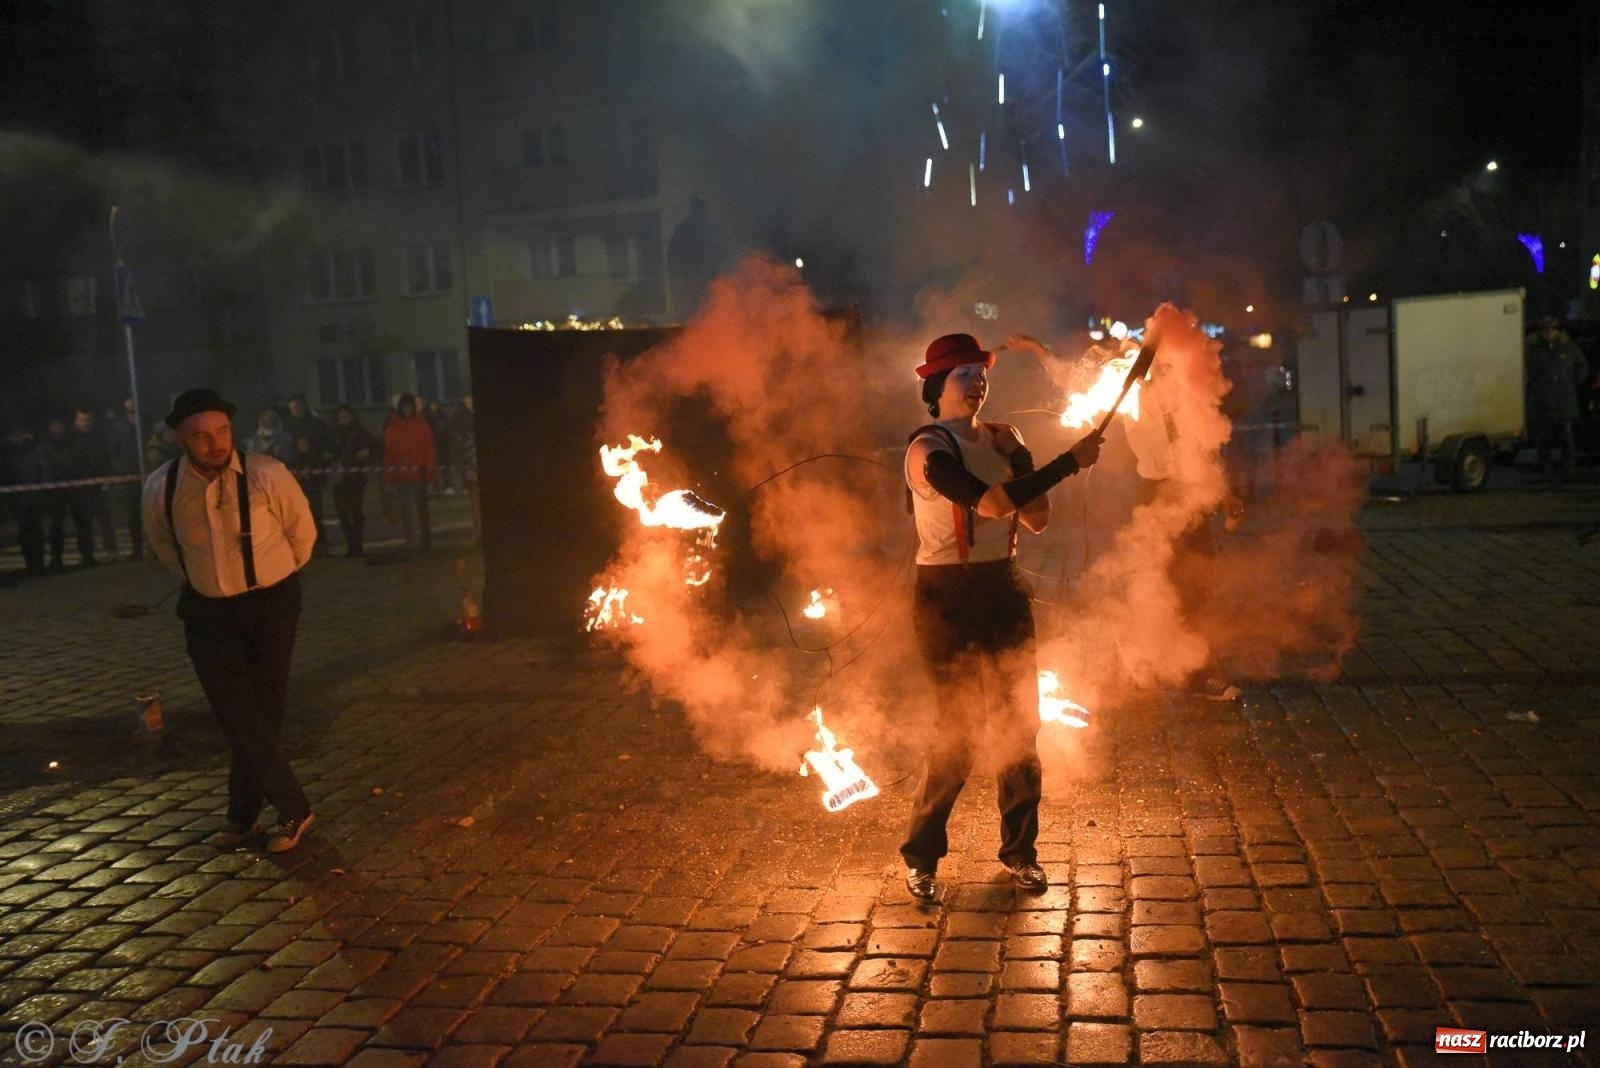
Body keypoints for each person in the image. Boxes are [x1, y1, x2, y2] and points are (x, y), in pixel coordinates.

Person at [901, 332, 1103, 902]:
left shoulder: (1004, 436)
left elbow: (1035, 518)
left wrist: (1027, 460)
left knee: (1020, 728)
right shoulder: (927, 449)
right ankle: (921, 858)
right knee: (958, 733)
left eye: (981, 371)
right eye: (964, 373)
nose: (977, 381)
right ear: (937, 386)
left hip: (1002, 588)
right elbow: (989, 503)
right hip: (946, 596)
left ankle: (1020, 853)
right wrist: (1068, 462)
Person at [142, 388, 318, 852]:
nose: (215, 443)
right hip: (207, 611)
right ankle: (294, 808)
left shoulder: (266, 474)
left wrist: (270, 582)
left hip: (270, 604)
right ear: (180, 438)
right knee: (236, 713)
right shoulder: (162, 487)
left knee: (263, 712)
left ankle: (241, 817)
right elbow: (164, 546)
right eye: (201, 436)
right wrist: (207, 581)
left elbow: (303, 535)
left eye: (221, 432)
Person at [1524, 317, 1587, 481]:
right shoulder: (1532, 349)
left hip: (1565, 401)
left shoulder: (1568, 347)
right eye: (1546, 329)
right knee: (1545, 437)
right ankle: (1545, 465)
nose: (1549, 332)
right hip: (1543, 401)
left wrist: (1574, 381)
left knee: (1566, 436)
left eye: (1552, 329)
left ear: (1557, 330)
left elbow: (1582, 364)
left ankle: (1568, 466)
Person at [382, 394, 438, 553]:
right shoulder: (393, 427)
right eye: (404, 407)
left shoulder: (421, 424)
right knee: (406, 511)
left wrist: (430, 473)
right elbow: (389, 454)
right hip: (402, 476)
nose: (407, 410)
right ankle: (411, 540)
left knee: (422, 510)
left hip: (419, 474)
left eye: (409, 406)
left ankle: (425, 541)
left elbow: (429, 449)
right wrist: (390, 478)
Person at [40, 416, 94, 569]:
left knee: (82, 522)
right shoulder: (45, 445)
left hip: (75, 488)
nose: (58, 427)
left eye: (59, 424)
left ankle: (87, 555)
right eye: (54, 424)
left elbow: (79, 461)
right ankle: (56, 559)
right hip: (56, 491)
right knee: (56, 526)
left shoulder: (71, 442)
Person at [329, 403, 377, 557]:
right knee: (342, 512)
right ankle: (351, 544)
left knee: (356, 510)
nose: (343, 419)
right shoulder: (333, 434)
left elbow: (373, 448)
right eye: (340, 416)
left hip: (356, 478)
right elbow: (327, 452)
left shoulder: (360, 433)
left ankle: (358, 545)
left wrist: (364, 455)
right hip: (340, 479)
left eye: (346, 416)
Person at [282, 394, 330, 545]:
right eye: (293, 406)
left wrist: (311, 451)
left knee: (315, 509)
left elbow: (324, 445)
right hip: (293, 472)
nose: (296, 409)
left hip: (314, 471)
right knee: (295, 512)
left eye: (299, 405)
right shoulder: (285, 425)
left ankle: (319, 542)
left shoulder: (316, 424)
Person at [2, 423, 48, 575]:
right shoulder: (7, 453)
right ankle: (30, 562)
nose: (18, 437)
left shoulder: (34, 450)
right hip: (18, 499)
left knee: (36, 531)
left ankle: (38, 562)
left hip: (34, 497)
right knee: (25, 532)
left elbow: (44, 470)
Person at [106, 397, 144, 559]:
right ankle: (137, 548)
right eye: (128, 400)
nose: (131, 403)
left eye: (133, 399)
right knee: (133, 513)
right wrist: (121, 470)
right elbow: (114, 451)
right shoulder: (118, 426)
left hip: (146, 473)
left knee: (151, 513)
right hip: (129, 476)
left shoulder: (144, 422)